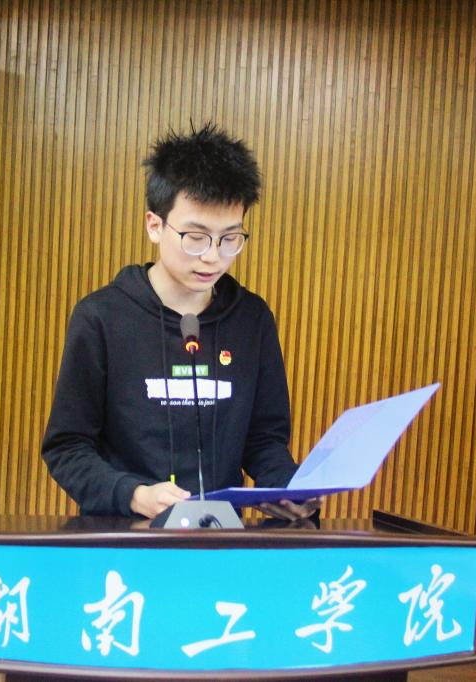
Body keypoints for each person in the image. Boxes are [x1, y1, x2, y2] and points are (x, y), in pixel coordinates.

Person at [41, 123, 318, 521]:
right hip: (125, 536)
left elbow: (264, 440)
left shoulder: (252, 320)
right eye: (195, 237)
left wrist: (287, 488)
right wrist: (134, 494)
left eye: (230, 238)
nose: (212, 257)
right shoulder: (101, 317)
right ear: (154, 225)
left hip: (220, 537)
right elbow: (67, 447)